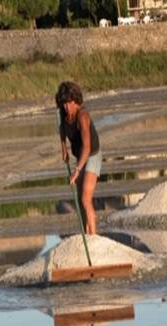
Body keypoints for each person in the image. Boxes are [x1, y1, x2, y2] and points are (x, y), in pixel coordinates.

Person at [56, 81, 102, 235]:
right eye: (64, 104)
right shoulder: (63, 113)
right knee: (81, 202)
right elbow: (62, 129)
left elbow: (87, 147)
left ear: (76, 101)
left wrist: (77, 170)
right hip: (79, 156)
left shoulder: (82, 115)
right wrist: (64, 148)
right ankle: (85, 232)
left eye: (69, 103)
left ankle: (93, 237)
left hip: (92, 155)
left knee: (85, 198)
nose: (66, 107)